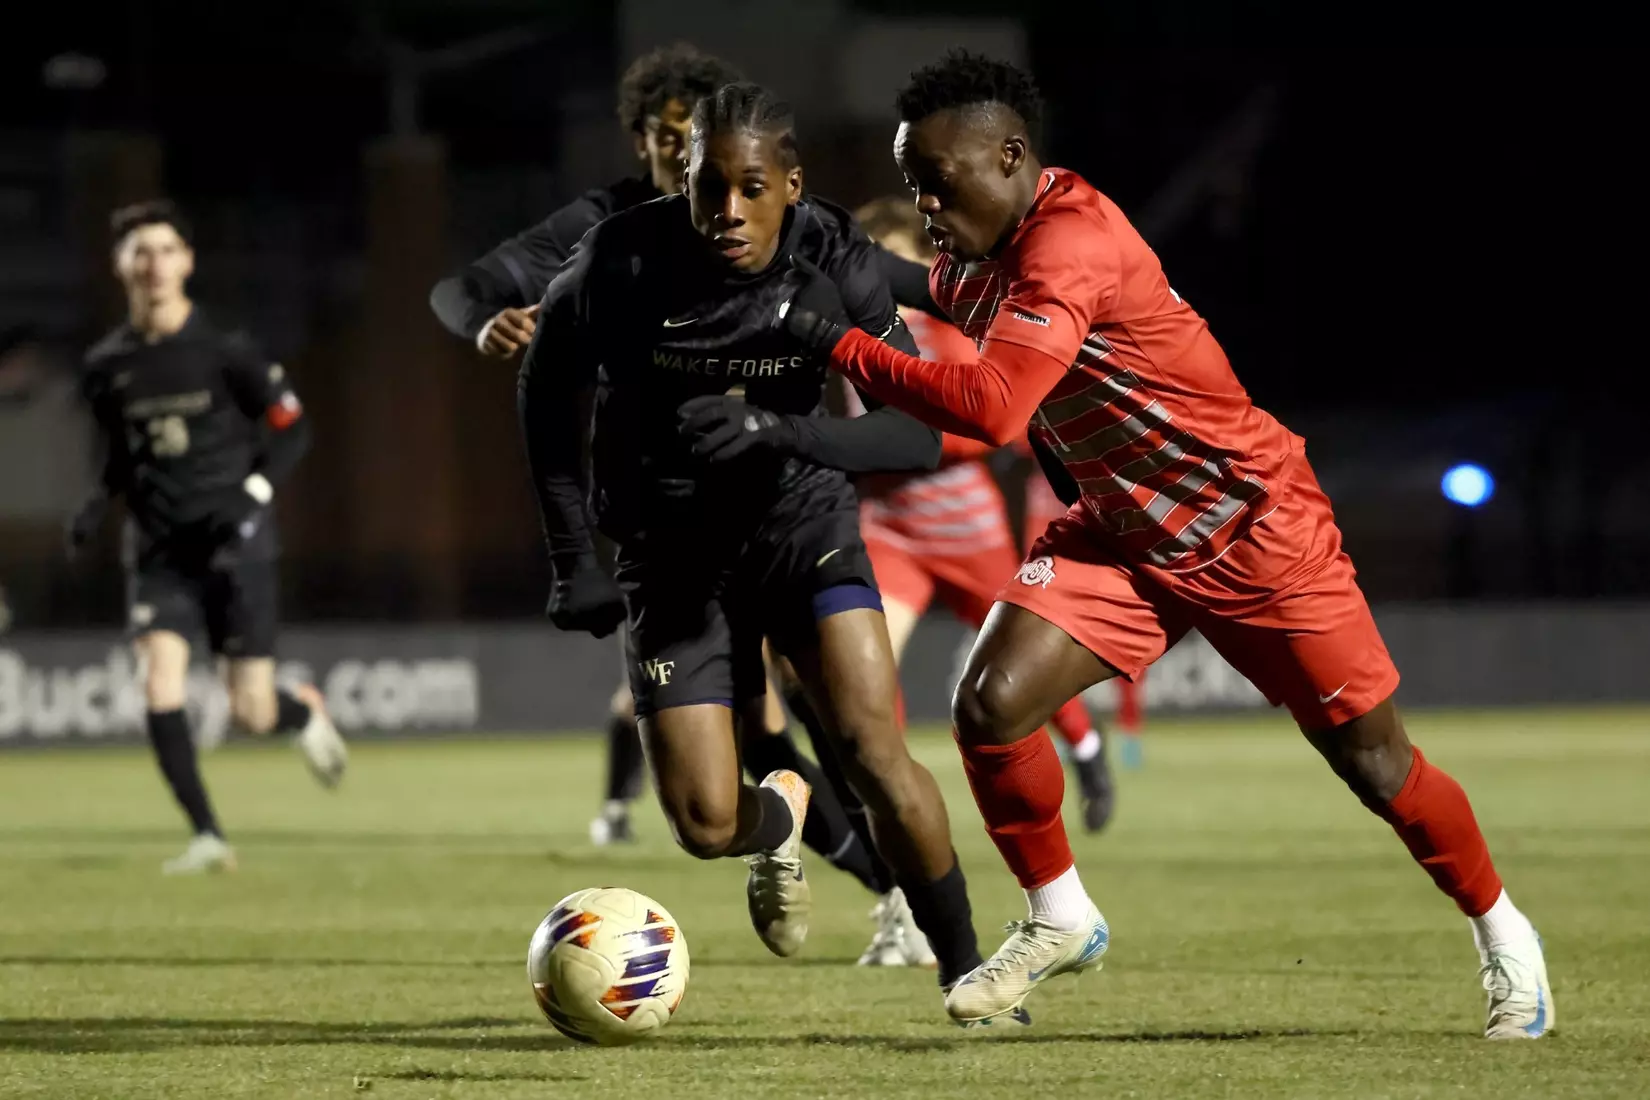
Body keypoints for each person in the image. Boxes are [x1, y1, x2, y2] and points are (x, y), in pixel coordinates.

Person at [779, 50, 1550, 1039]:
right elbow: (928, 286)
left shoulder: (1068, 245)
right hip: (1126, 530)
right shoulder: (1000, 245)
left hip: (1254, 528)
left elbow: (994, 408)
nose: (924, 200)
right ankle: (1061, 914)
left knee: (1373, 762)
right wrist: (836, 252)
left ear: (1010, 154)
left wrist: (834, 339)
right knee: (990, 702)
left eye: (937, 180)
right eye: (912, 183)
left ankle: (1507, 937)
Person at [426, 47, 920, 965]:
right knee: (739, 763)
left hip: (784, 519)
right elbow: (466, 292)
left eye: (716, 149)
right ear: (651, 148)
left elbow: (878, 284)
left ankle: (899, 897)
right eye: (674, 144)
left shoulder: (782, 225)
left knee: (827, 717)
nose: (704, 174)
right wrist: (489, 322)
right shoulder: (609, 233)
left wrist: (991, 303)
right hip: (671, 532)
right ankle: (799, 842)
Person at [518, 81, 982, 994]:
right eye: (709, 188)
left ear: (793, 186)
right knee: (701, 823)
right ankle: (777, 822)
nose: (728, 211)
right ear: (680, 183)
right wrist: (572, 556)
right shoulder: (620, 260)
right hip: (670, 550)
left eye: (753, 187)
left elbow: (916, 432)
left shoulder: (832, 255)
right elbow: (542, 390)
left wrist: (781, 433)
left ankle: (969, 970)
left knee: (871, 747)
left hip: (799, 524)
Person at [69, 200, 348, 875]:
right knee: (157, 681)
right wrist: (95, 504)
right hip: (160, 553)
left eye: (166, 250)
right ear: (120, 267)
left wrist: (251, 496)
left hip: (236, 544)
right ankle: (207, 836)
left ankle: (299, 710)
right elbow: (120, 454)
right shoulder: (106, 364)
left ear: (187, 262)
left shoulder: (228, 351)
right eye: (141, 251)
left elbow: (293, 428)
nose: (154, 263)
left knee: (250, 711)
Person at [851, 196, 1114, 832]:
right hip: (890, 527)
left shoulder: (947, 335)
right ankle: (890, 784)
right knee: (865, 666)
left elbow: (987, 427)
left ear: (923, 261)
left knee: (1018, 665)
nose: (875, 273)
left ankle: (1086, 746)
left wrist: (911, 439)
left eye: (891, 258)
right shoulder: (855, 332)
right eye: (867, 259)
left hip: (966, 531)